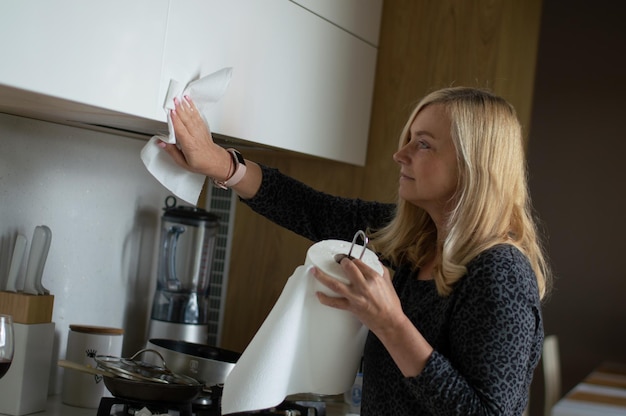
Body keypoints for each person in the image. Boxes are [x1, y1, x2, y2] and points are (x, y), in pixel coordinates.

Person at [159, 87, 552, 415]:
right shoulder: (415, 241)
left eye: (424, 144)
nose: (401, 154)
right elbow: (313, 210)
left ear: (473, 167)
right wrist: (218, 163)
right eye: (408, 139)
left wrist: (391, 324)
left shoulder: (500, 274)